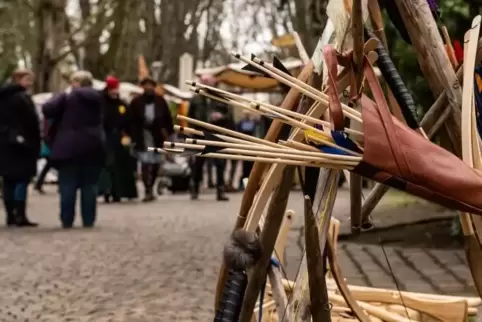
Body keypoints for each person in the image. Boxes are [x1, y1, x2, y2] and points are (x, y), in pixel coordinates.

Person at [43, 71, 105, 228]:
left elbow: (48, 109)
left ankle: (67, 219)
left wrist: (63, 94)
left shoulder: (67, 97)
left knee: (67, 184)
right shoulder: (98, 97)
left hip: (68, 146)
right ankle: (88, 219)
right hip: (93, 145)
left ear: (75, 82)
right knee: (89, 184)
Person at [0, 69, 40, 227]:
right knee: (21, 179)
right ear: (19, 80)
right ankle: (20, 214)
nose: (30, 83)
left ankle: (10, 214)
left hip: (4, 142)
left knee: (8, 179)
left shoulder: (3, 97)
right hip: (22, 143)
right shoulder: (21, 98)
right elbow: (31, 121)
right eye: (27, 80)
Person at [129, 76, 174, 202]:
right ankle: (147, 189)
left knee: (155, 163)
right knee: (144, 162)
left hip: (157, 135)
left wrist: (169, 133)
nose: (148, 87)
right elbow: (131, 119)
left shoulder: (160, 101)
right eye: (145, 85)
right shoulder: (136, 101)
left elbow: (167, 118)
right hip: (142, 135)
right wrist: (132, 134)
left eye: (150, 85)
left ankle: (152, 185)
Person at [188, 75, 231, 201]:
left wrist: (221, 117)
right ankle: (195, 188)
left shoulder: (220, 99)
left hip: (217, 135)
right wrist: (192, 131)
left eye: (211, 83)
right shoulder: (196, 100)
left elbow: (229, 116)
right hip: (200, 135)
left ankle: (220, 190)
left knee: (220, 164)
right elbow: (190, 116)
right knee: (198, 164)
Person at [98, 76, 138, 203]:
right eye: (112, 89)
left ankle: (119, 191)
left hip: (120, 139)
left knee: (121, 166)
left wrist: (129, 134)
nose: (114, 92)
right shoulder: (101, 103)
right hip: (105, 138)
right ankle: (106, 190)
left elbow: (130, 120)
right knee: (107, 166)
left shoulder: (122, 104)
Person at [236, 111, 257, 191]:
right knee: (245, 169)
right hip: (244, 147)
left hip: (252, 147)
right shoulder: (241, 123)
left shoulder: (253, 123)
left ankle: (251, 185)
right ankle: (244, 185)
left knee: (252, 168)